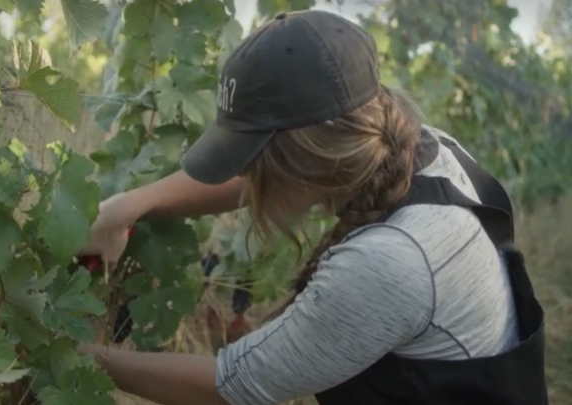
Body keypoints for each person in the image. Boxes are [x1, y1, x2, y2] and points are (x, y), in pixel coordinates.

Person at [78, 9, 548, 405]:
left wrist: (78, 358)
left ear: (302, 161)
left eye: (253, 160)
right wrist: (129, 205)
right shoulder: (418, 149)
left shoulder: (391, 262)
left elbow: (234, 385)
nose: (247, 178)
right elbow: (260, 178)